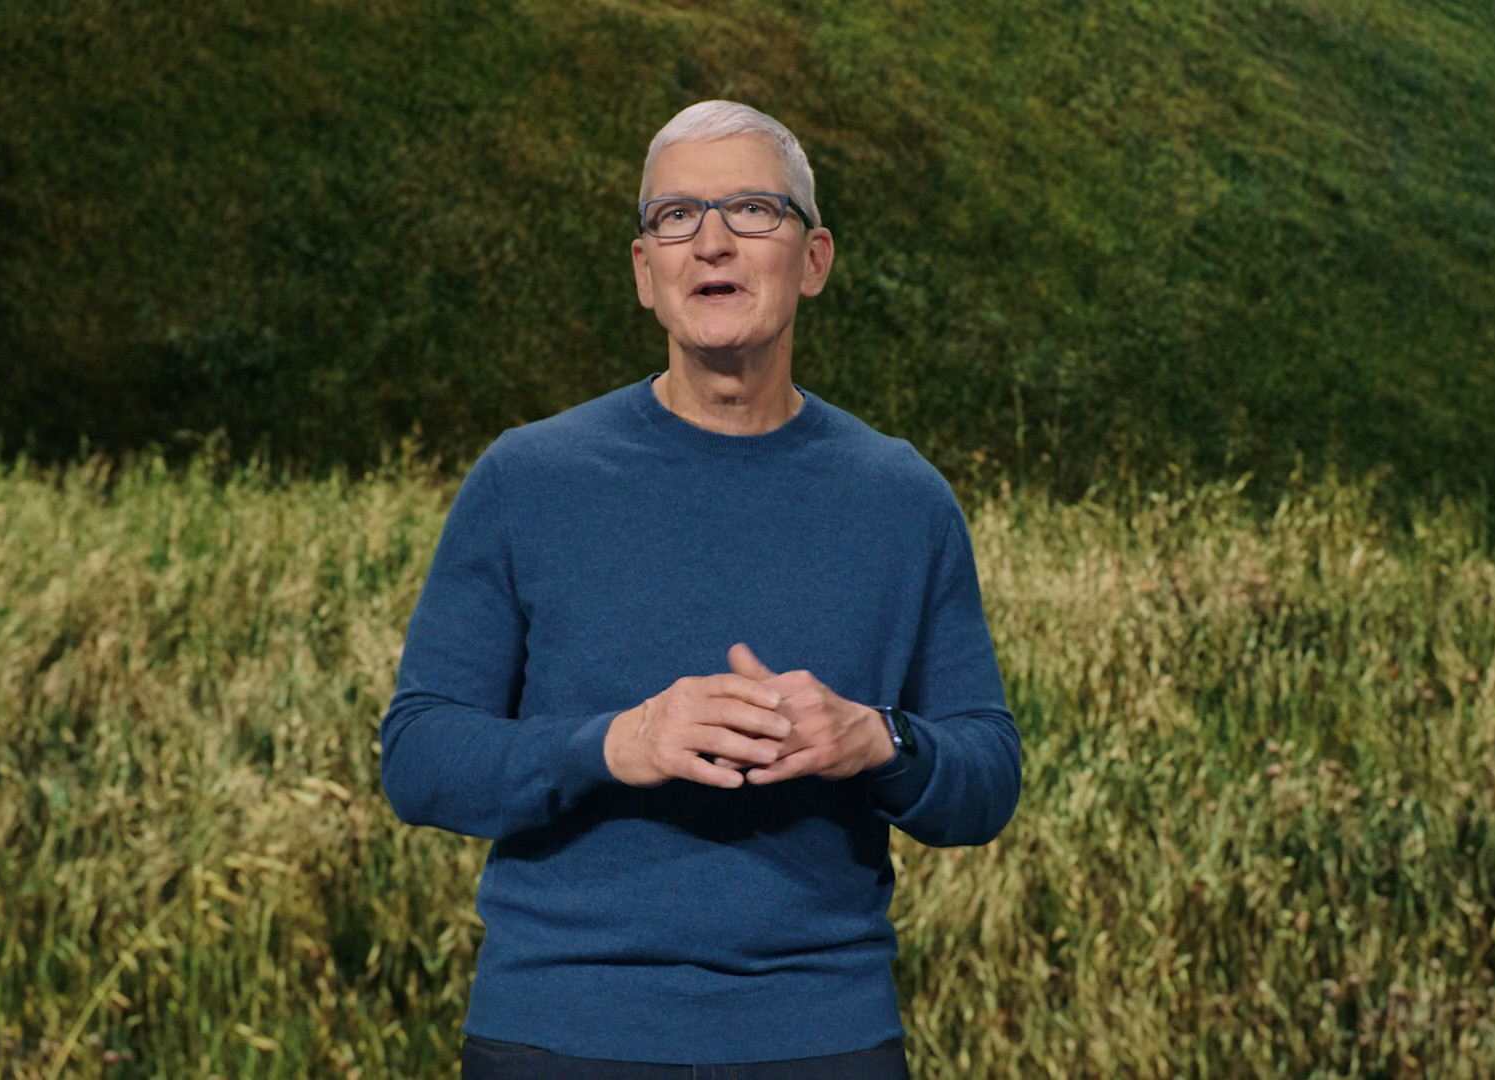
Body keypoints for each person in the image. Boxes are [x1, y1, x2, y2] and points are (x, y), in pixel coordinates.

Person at [379, 100, 1021, 1079]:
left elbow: (986, 778)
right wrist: (617, 742)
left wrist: (875, 740)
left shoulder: (903, 498)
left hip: (823, 1037)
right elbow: (420, 755)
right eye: (676, 217)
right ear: (645, 273)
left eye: (754, 210)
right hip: (559, 1033)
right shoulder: (527, 479)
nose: (712, 241)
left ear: (814, 259)